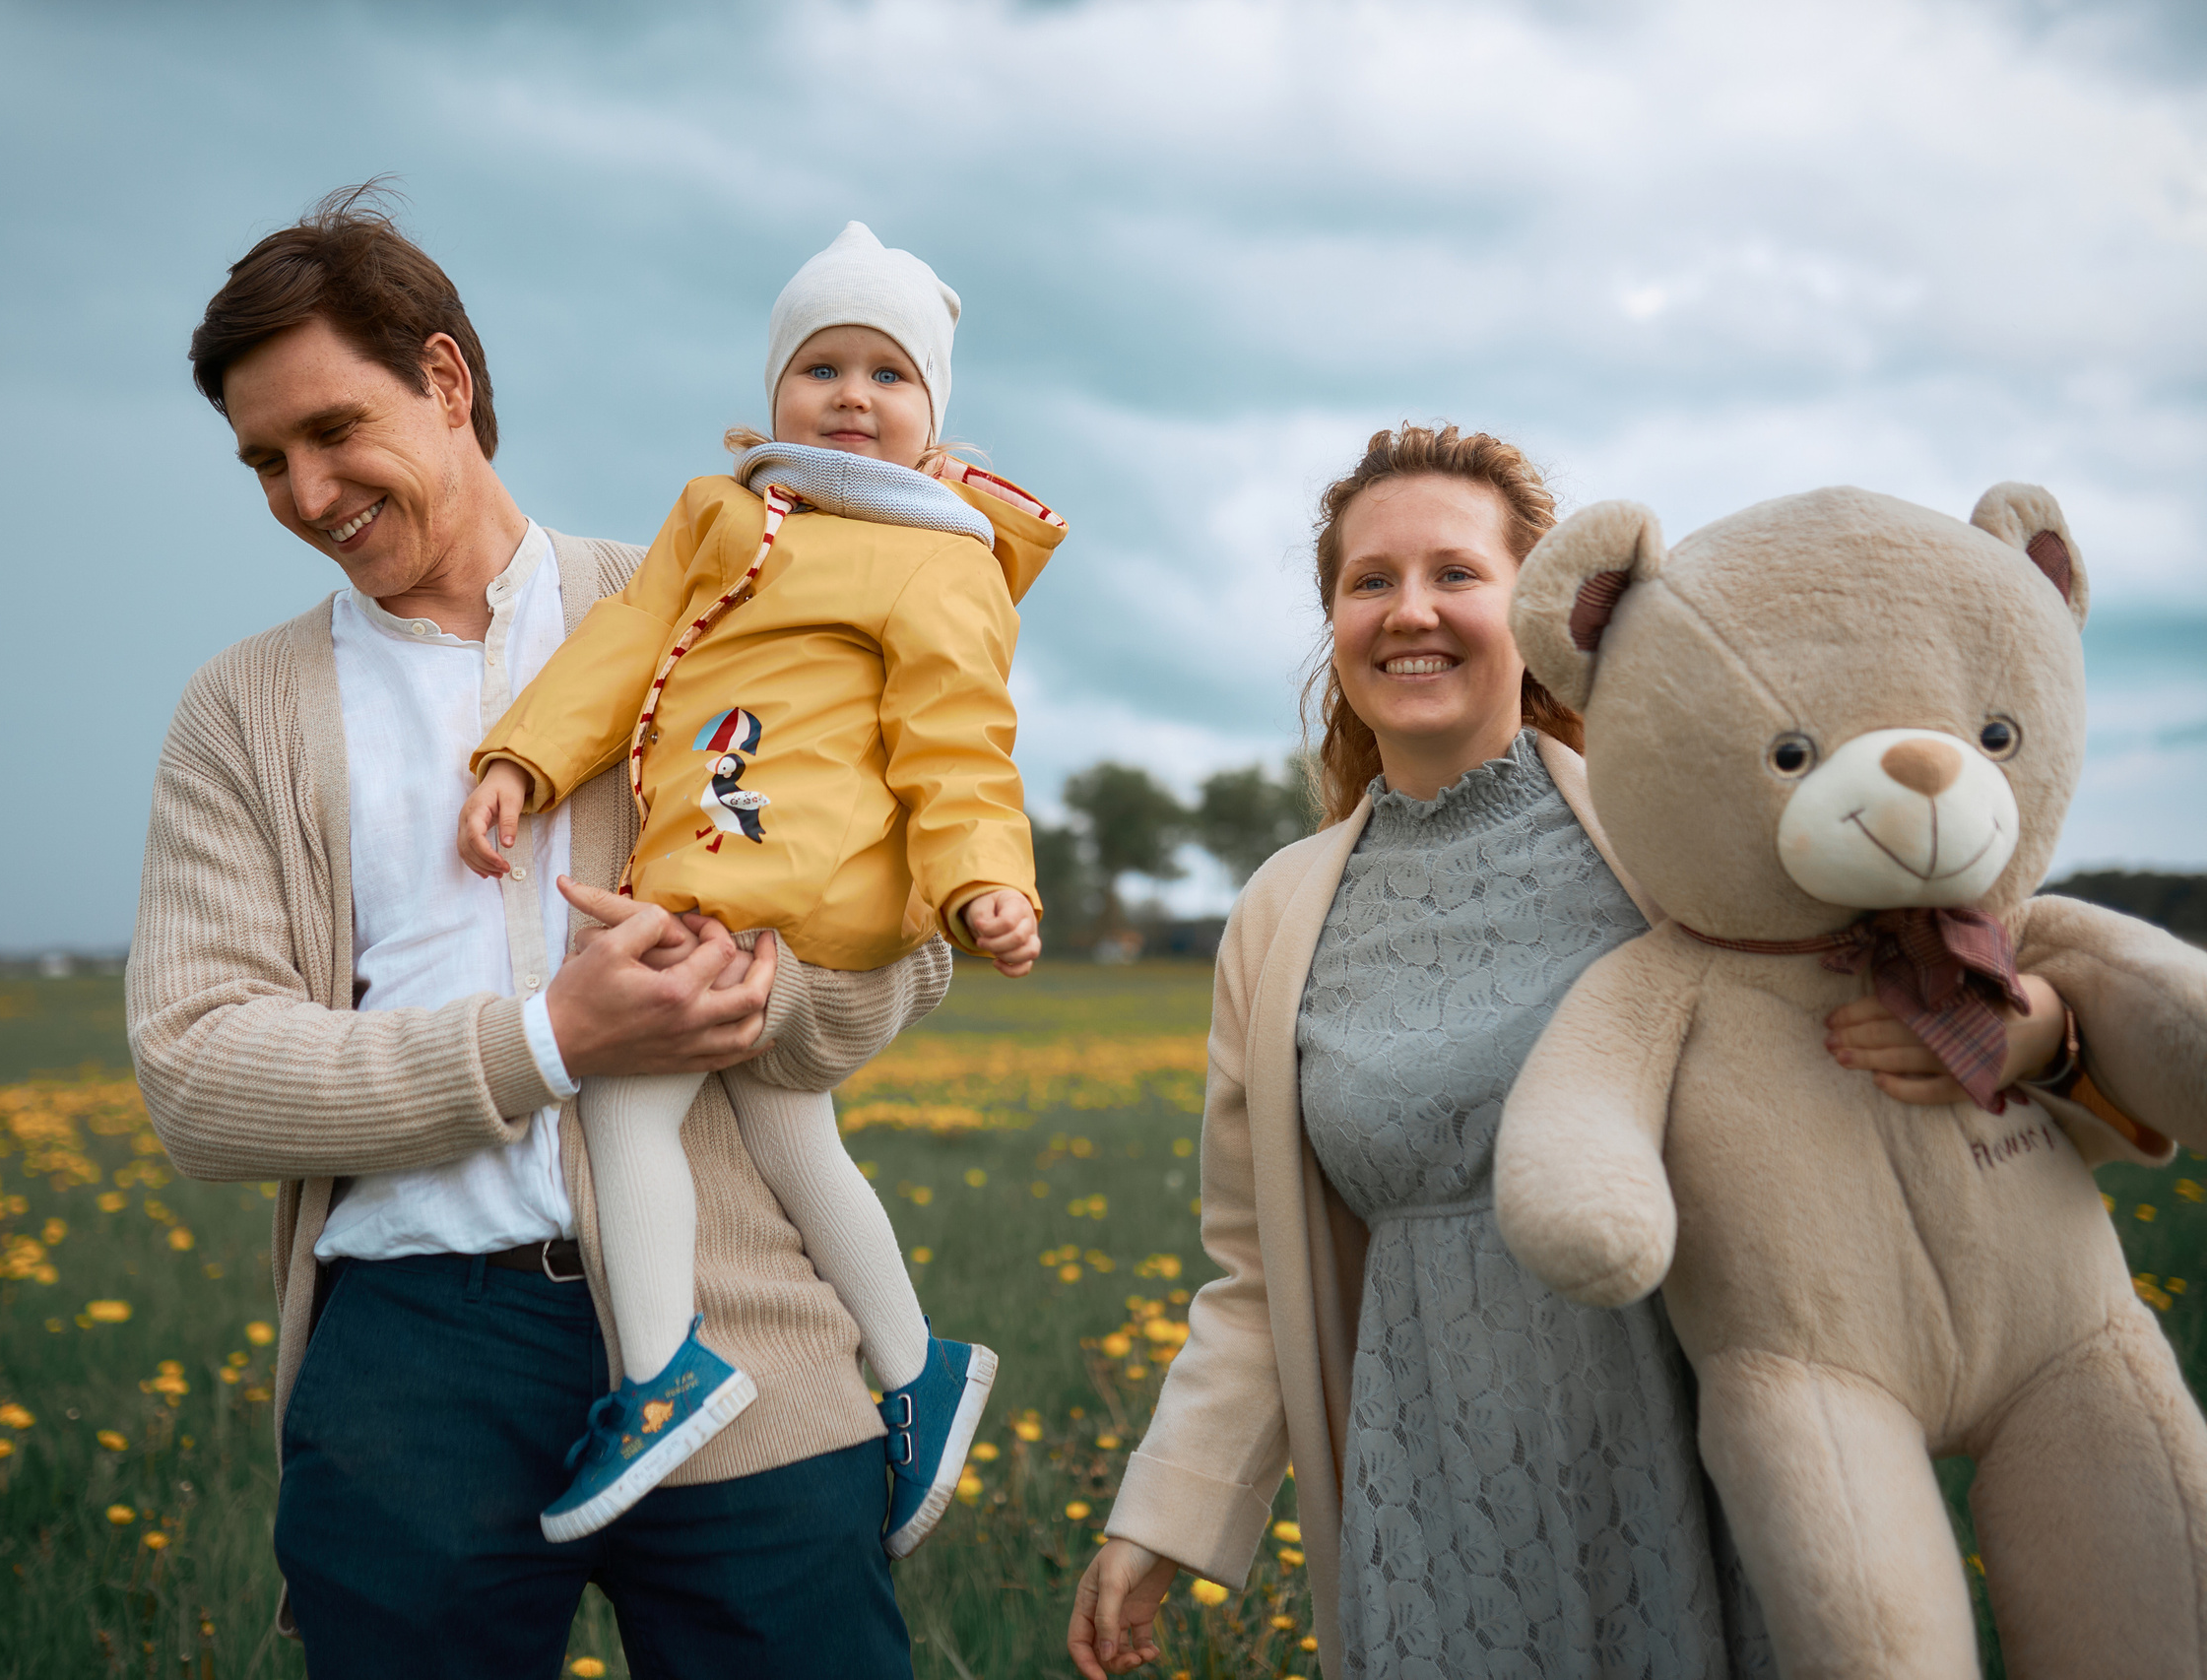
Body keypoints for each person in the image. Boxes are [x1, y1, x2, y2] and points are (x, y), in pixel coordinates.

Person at [1063, 424, 2122, 1679]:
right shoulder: (1278, 916)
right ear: (1335, 620)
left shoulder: (1673, 842)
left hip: (1710, 1451)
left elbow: (1951, 970)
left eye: (1457, 572)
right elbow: (1252, 1270)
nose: (1413, 612)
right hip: (1432, 1496)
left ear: (1541, 610)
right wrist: (1163, 1519)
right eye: (1370, 580)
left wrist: (2040, 1036)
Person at [128, 186, 949, 1679]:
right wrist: (548, 1041)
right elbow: (199, 1073)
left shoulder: (704, 599)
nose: (307, 492)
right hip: (411, 1362)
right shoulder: (243, 712)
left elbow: (900, 934)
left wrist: (762, 992)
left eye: (333, 432)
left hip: (745, 1320)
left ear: (446, 381)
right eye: (264, 461)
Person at [456, 222, 1062, 1554]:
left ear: (933, 411)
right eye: (822, 366)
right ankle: (918, 1367)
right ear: (775, 384)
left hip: (788, 886)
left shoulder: (939, 557)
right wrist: (525, 759)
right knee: (797, 1138)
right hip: (731, 872)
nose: (852, 396)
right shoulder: (721, 513)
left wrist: (983, 884)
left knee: (623, 1095)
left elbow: (959, 740)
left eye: (890, 375)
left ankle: (659, 1369)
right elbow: (619, 649)